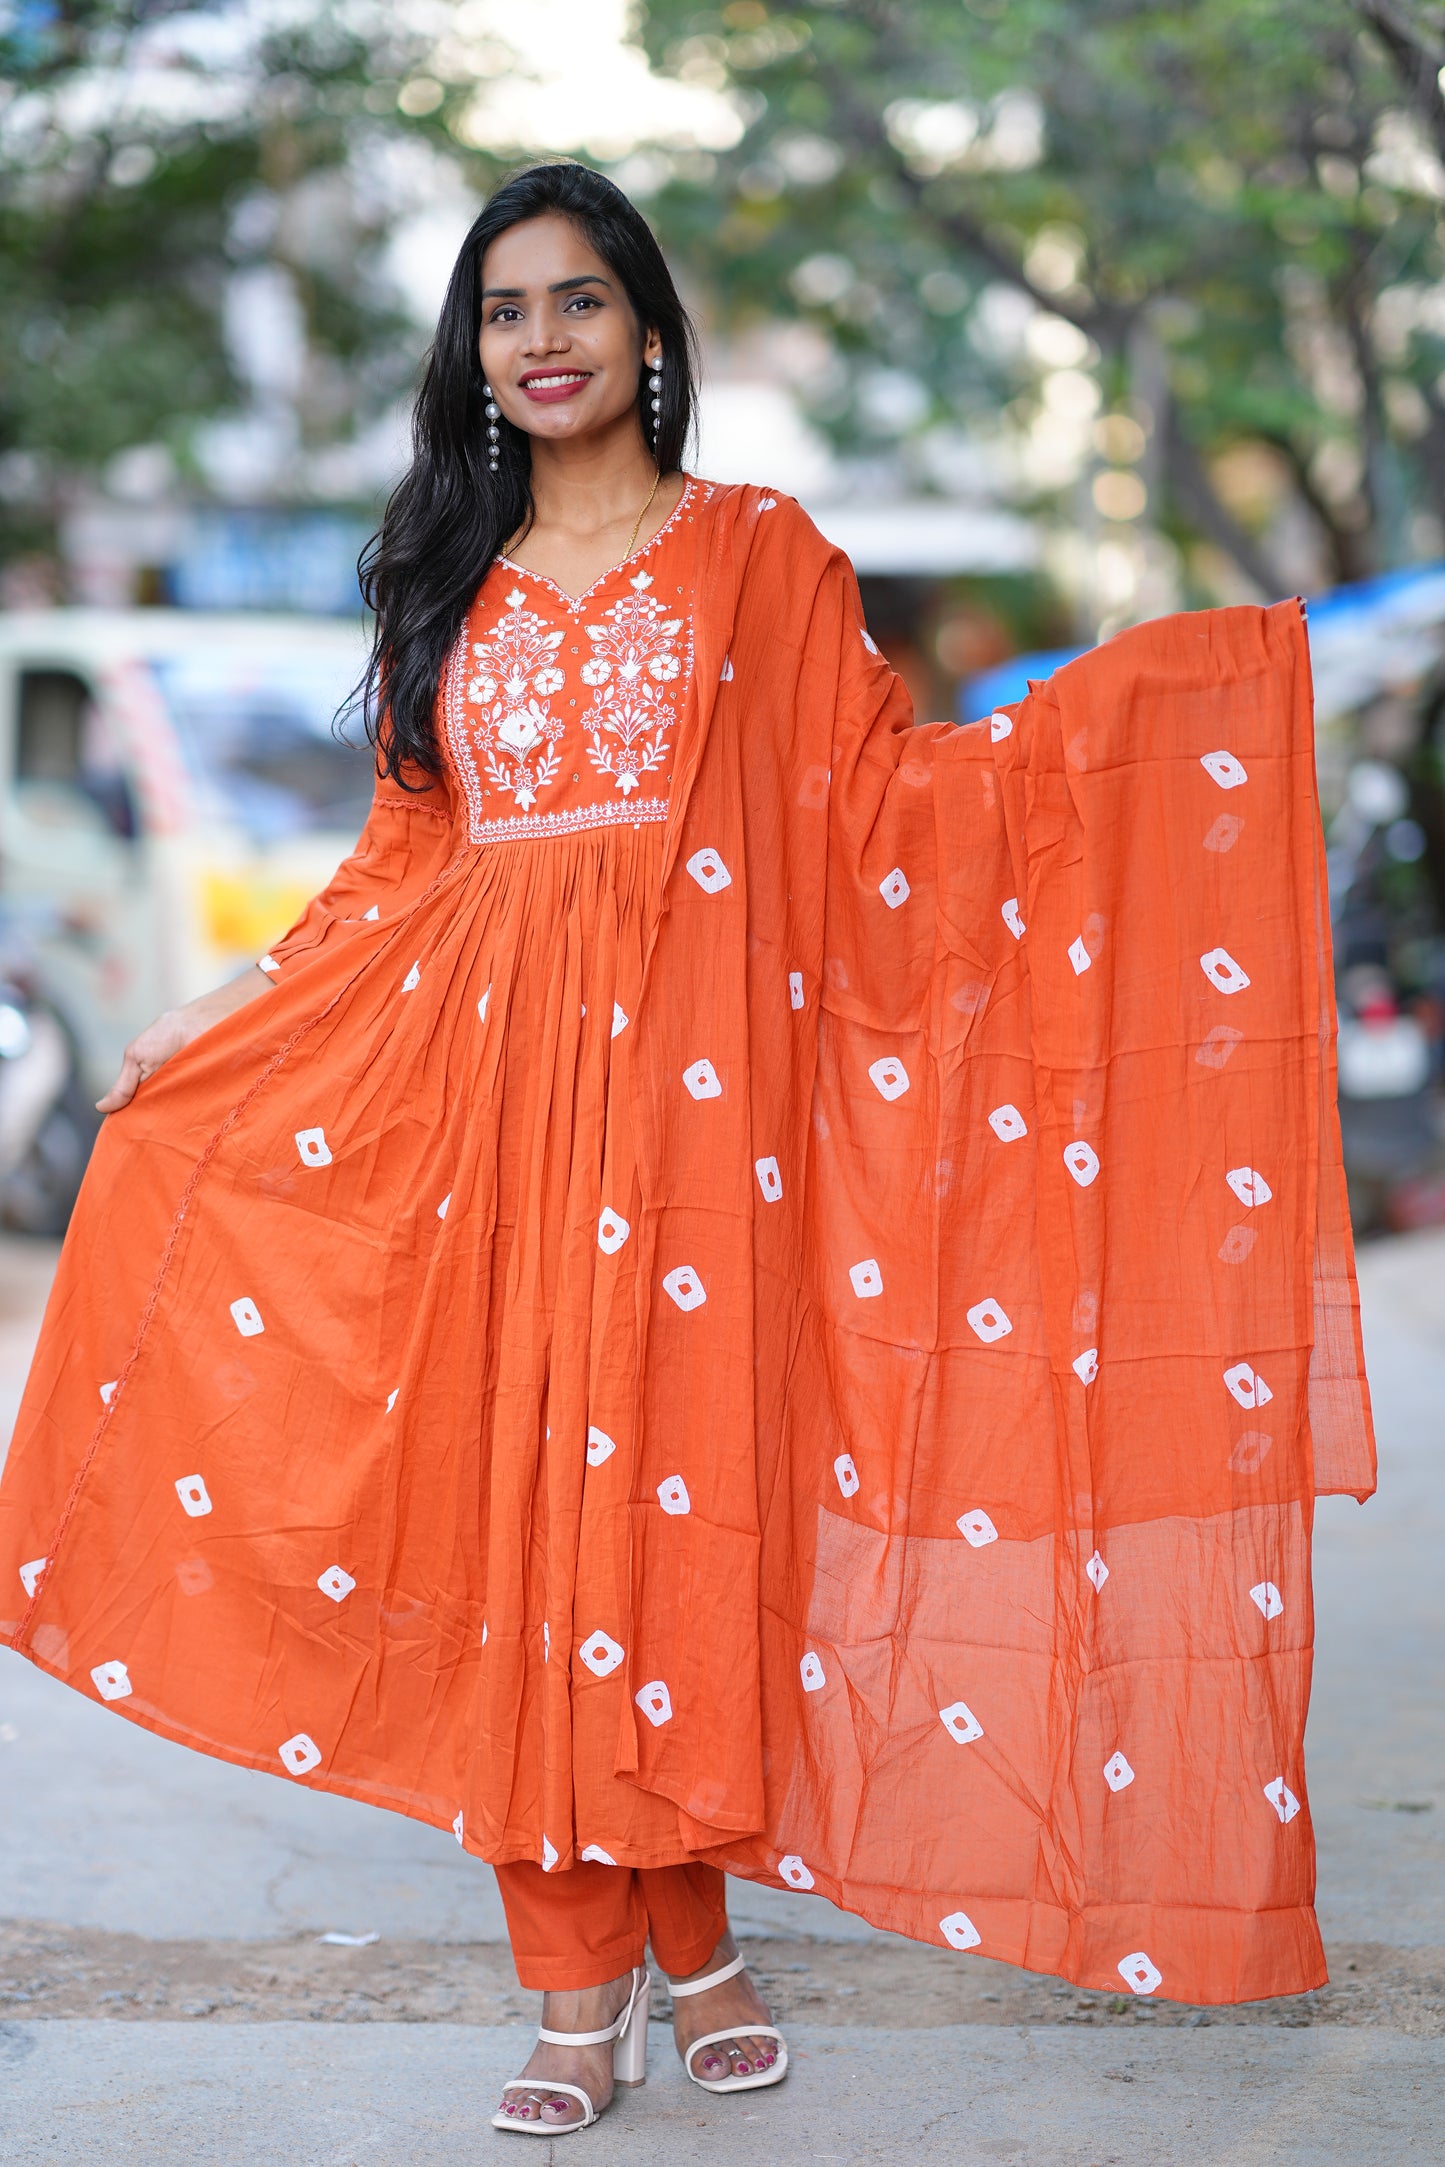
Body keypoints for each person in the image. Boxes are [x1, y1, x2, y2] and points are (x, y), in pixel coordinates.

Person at [0, 162, 1374, 2137]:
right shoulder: (448, 585)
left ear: (649, 331)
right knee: (507, 1547)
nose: (540, 339)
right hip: (479, 1137)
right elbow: (405, 869)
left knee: (670, 1541)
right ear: (473, 357)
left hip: (700, 1148)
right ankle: (575, 1985)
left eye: (577, 301)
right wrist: (216, 1024)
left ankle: (695, 1941)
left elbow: (879, 818)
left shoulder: (757, 558)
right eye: (503, 311)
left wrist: (1151, 721)